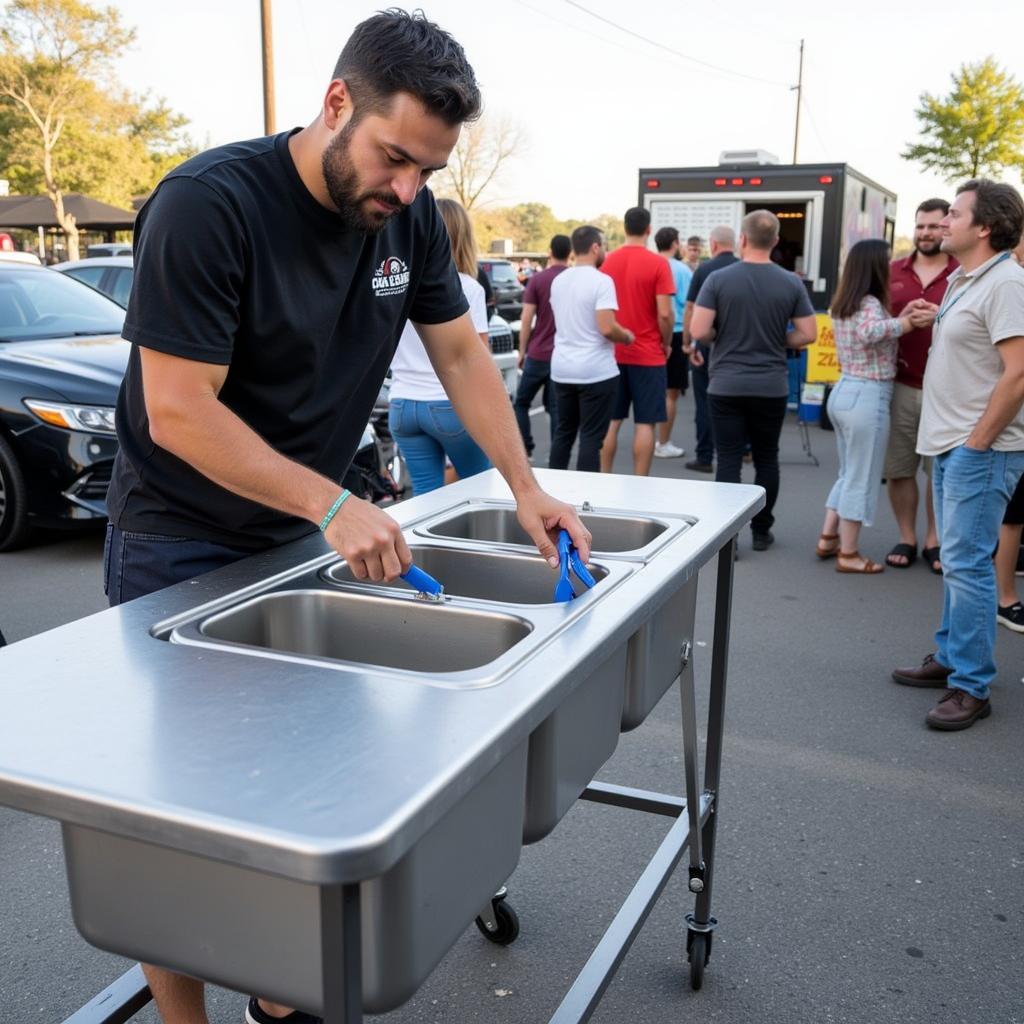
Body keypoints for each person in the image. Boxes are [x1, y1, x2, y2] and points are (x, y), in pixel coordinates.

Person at [103, 13, 590, 1024]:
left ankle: (278, 998)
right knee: (181, 818)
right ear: (335, 104)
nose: (407, 188)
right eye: (394, 157)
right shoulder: (210, 204)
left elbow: (460, 355)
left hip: (297, 529)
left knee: (295, 800)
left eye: (427, 169)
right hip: (181, 536)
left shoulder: (404, 218)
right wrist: (330, 501)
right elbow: (179, 409)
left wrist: (524, 485)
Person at [892, 179, 1024, 731]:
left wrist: (976, 443)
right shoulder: (969, 279)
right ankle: (950, 657)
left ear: (984, 227)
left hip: (979, 449)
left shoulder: (1007, 283)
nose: (944, 222)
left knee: (968, 567)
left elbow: (1018, 374)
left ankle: (971, 686)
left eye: (955, 214)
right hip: (953, 444)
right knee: (960, 565)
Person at [690, 210, 817, 550]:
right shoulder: (790, 282)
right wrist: (780, 340)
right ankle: (762, 530)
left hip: (726, 384)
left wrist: (721, 335)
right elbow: (808, 334)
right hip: (770, 386)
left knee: (729, 459)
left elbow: (699, 330)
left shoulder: (719, 280)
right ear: (775, 241)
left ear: (743, 239)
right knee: (766, 457)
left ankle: (728, 538)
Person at [816, 240, 935, 573]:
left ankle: (829, 537)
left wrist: (901, 316)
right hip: (868, 395)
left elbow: (869, 329)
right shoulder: (869, 303)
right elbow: (871, 332)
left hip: (844, 391)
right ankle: (849, 554)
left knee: (848, 472)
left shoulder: (846, 301)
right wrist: (908, 324)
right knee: (862, 477)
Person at [388, 199, 492, 494]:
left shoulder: (398, 285)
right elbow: (478, 361)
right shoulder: (468, 288)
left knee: (425, 498)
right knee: (479, 490)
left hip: (402, 404)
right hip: (448, 404)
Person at [884, 199, 958, 572]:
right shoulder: (892, 270)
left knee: (938, 470)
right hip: (898, 383)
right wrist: (901, 319)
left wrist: (939, 320)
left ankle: (934, 539)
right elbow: (875, 320)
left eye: (934, 226)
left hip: (947, 388)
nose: (926, 233)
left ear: (946, 227)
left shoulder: (964, 273)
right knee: (899, 467)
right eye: (921, 226)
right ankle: (906, 536)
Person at [548, 226, 634, 471]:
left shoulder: (559, 280)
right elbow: (607, 327)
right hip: (595, 370)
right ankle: (585, 499)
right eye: (604, 245)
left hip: (562, 367)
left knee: (563, 433)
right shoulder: (602, 281)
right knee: (591, 437)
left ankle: (554, 490)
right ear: (595, 247)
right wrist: (626, 336)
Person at [599, 207, 675, 476]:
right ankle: (639, 483)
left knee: (611, 422)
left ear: (624, 228)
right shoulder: (658, 263)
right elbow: (665, 313)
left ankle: (603, 477)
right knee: (645, 423)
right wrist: (666, 343)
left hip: (612, 354)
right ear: (649, 230)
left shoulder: (607, 261)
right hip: (648, 354)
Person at [683, 225, 739, 472]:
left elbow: (691, 309)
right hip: (739, 346)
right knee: (739, 403)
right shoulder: (743, 268)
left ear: (713, 244)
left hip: (708, 345)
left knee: (705, 403)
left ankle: (705, 456)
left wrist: (689, 342)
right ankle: (743, 450)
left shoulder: (705, 270)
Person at [514, 234, 570, 459]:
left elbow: (527, 319)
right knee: (555, 407)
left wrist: (522, 350)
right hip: (562, 354)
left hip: (538, 353)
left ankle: (526, 447)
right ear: (570, 254)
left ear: (550, 252)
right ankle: (556, 454)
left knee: (521, 403)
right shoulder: (571, 279)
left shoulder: (538, 280)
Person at [653, 226, 692, 459]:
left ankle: (645, 434)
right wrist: (690, 340)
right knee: (671, 393)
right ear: (675, 244)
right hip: (675, 333)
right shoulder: (683, 270)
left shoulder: (650, 265)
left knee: (646, 390)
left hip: (649, 332)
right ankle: (663, 442)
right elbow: (689, 307)